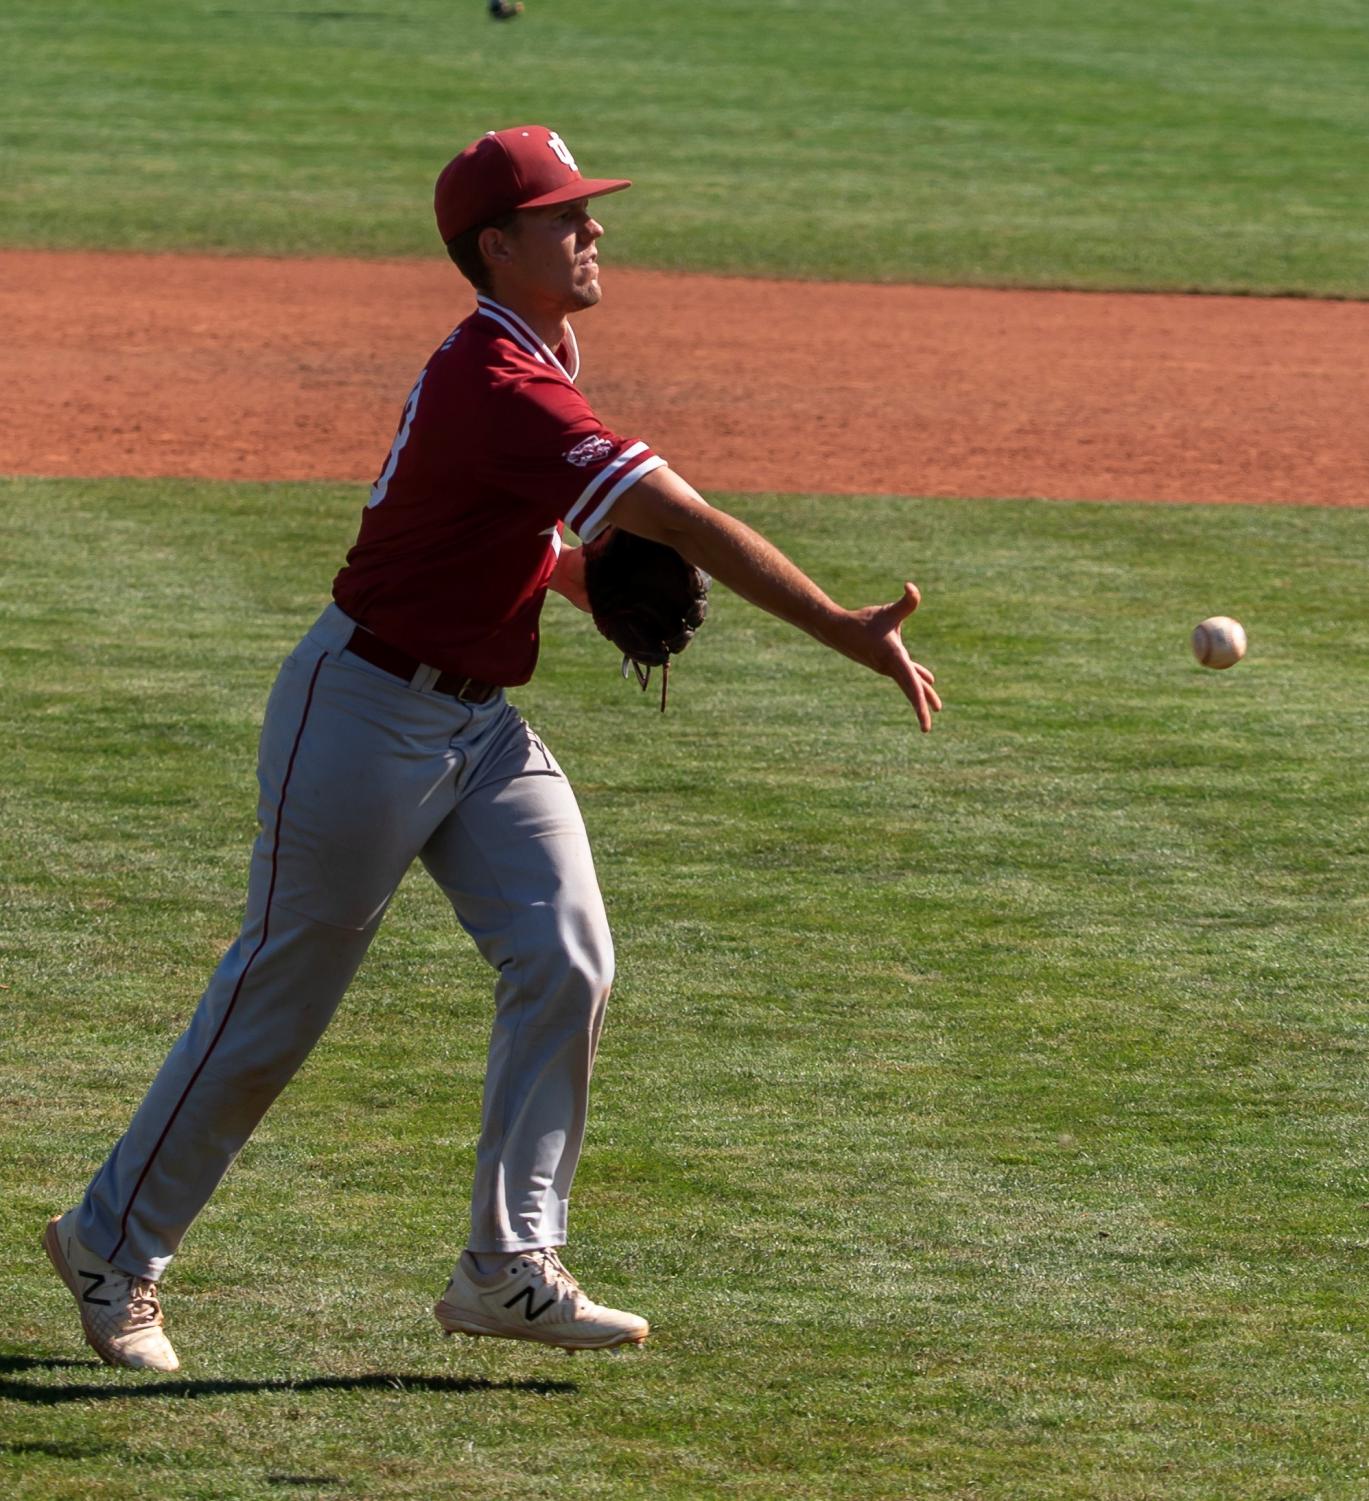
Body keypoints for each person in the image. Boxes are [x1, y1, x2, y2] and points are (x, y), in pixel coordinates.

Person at [43, 125, 941, 1373]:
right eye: (565, 214)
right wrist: (843, 627)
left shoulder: (537, 352)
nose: (594, 228)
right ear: (496, 245)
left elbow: (475, 516)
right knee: (278, 1000)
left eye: (586, 209)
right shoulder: (502, 380)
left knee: (566, 955)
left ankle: (508, 1264)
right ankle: (110, 1243)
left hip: (474, 723)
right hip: (360, 714)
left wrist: (563, 576)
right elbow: (683, 519)